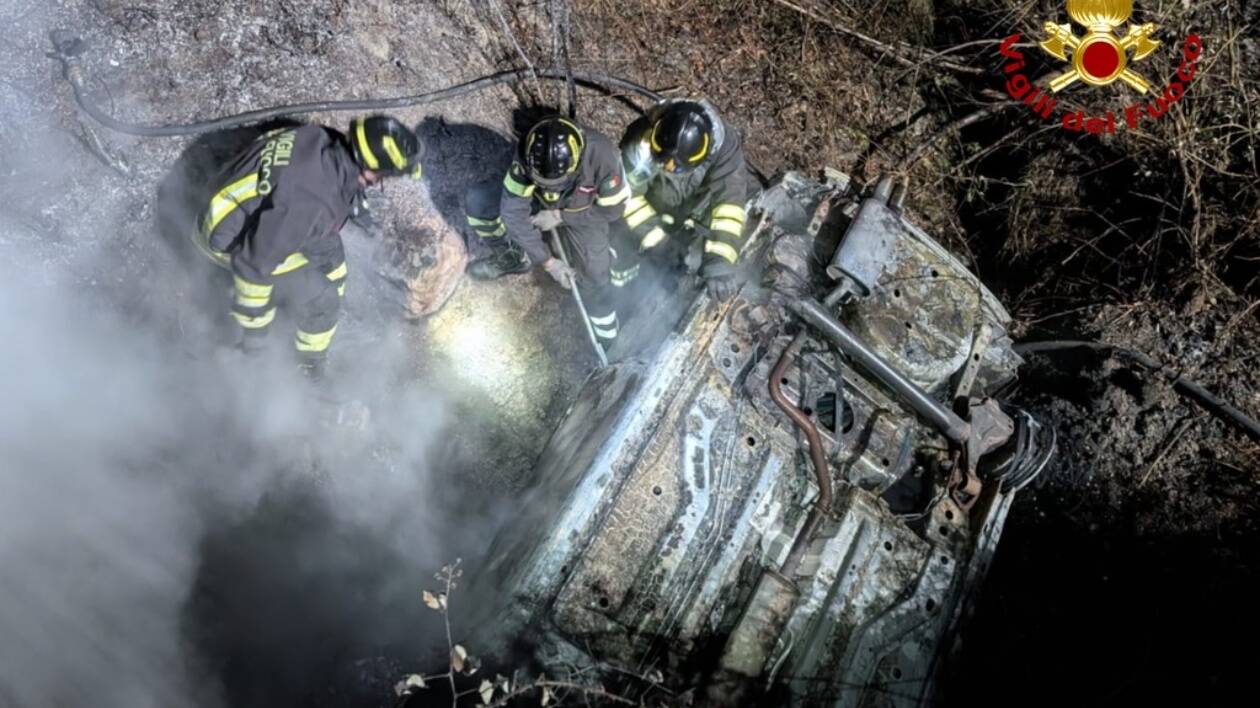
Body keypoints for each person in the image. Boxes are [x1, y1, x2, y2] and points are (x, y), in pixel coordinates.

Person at [192, 115, 423, 379]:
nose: (385, 180)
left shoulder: (321, 138)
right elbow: (253, 266)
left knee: (331, 253)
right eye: (385, 175)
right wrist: (255, 337)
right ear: (370, 170)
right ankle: (308, 365)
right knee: (323, 300)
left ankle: (323, 316)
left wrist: (352, 198)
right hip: (228, 239)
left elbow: (306, 190)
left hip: (247, 206)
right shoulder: (311, 203)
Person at [465, 116, 631, 348]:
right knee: (478, 202)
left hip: (582, 210)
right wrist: (549, 263)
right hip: (537, 198)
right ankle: (512, 255)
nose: (551, 190)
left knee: (595, 273)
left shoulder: (602, 155)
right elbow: (513, 212)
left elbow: (614, 209)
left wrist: (561, 216)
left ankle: (607, 336)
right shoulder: (528, 154)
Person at [610, 99, 750, 301]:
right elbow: (628, 199)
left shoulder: (724, 148)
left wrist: (719, 262)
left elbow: (729, 205)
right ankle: (624, 297)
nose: (668, 168)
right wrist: (660, 244)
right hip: (655, 212)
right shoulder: (642, 142)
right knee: (622, 244)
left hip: (695, 210)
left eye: (677, 167)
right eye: (664, 161)